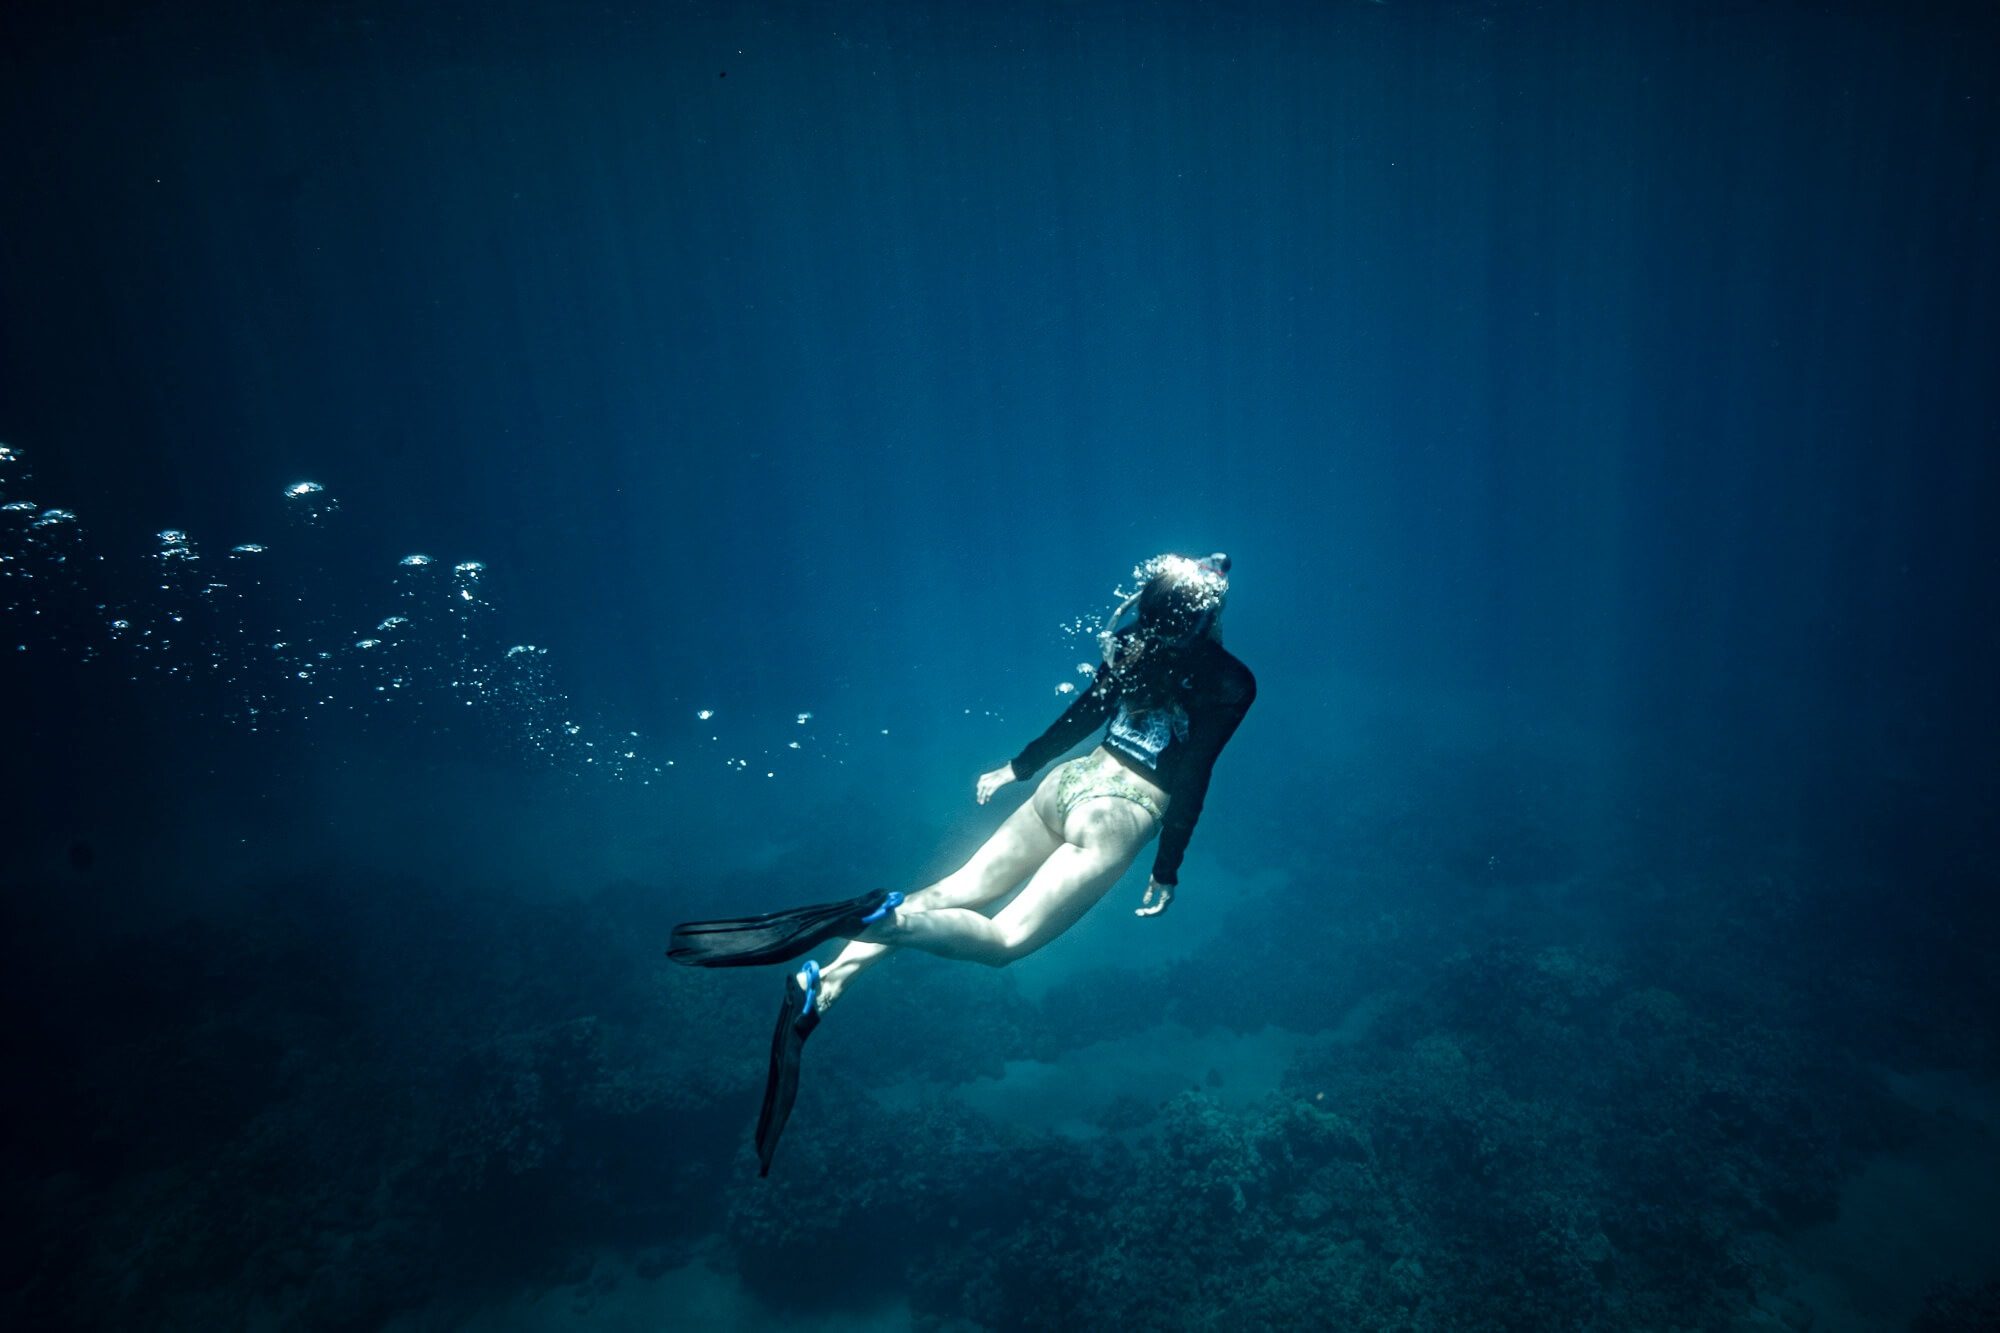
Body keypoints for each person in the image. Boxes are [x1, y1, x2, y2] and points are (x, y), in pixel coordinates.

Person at [669, 552, 1256, 1173]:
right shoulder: (1231, 682)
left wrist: (1018, 767)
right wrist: (1167, 868)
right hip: (1122, 811)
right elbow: (1194, 774)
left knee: (954, 890)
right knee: (1003, 941)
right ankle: (873, 919)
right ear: (1204, 615)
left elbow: (1083, 714)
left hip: (1066, 783)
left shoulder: (1133, 640)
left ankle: (828, 984)